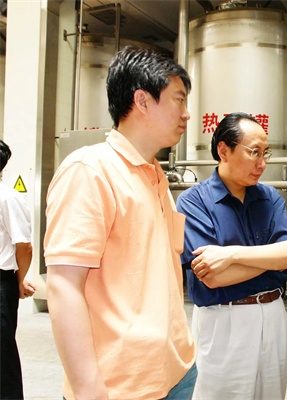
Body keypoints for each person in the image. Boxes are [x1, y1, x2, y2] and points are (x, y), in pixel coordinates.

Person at [44, 46, 196, 400]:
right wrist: (87, 388)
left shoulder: (155, 175)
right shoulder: (90, 170)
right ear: (142, 101)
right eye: (178, 100)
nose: (187, 114)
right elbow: (63, 284)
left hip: (176, 370)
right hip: (119, 384)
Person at [176, 112, 287, 399]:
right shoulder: (193, 202)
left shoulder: (269, 197)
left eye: (265, 153)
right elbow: (213, 277)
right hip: (224, 321)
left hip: (273, 316)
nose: (262, 163)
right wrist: (272, 262)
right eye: (254, 152)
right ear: (223, 150)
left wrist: (231, 254)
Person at [0, 140, 36, 400]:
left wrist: (20, 280)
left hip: (1, 283)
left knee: (2, 354)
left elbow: (23, 246)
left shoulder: (8, 198)